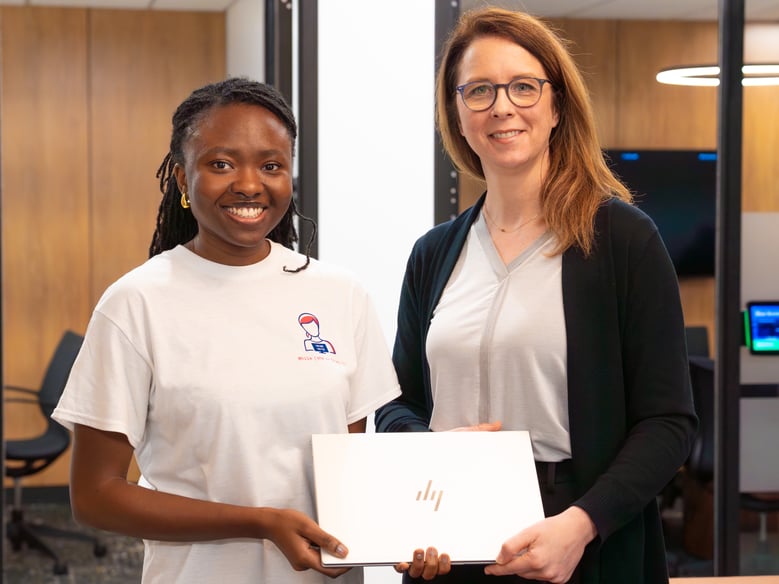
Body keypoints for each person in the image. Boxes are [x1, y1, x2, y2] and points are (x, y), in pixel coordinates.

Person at [375, 7, 697, 584]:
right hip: (449, 535)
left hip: (579, 537)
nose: (502, 107)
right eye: (478, 91)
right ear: (457, 113)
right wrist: (428, 449)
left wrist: (578, 527)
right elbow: (394, 403)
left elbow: (668, 422)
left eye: (523, 86)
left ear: (556, 106)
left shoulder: (622, 239)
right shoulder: (433, 253)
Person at [52, 77, 401, 584]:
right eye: (220, 163)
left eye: (271, 165)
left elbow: (347, 470)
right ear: (179, 177)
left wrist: (430, 516)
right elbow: (96, 495)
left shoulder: (340, 294)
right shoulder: (137, 302)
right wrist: (259, 523)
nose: (249, 183)